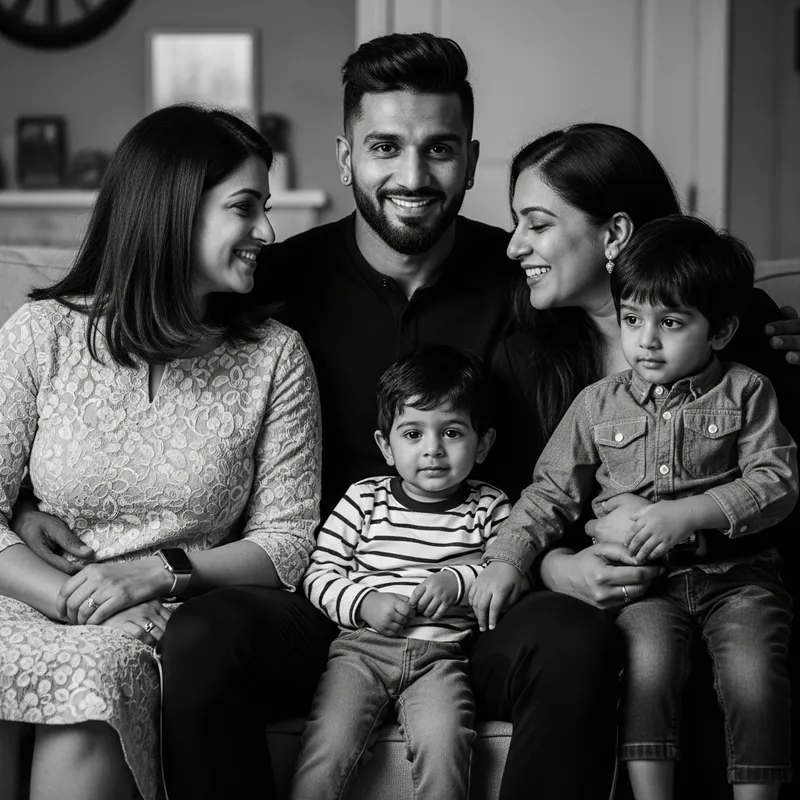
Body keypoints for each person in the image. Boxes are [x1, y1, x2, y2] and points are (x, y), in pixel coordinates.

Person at [9, 34, 800, 800]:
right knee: (204, 639)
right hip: (318, 594)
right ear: (348, 157)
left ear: (471, 160)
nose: (412, 175)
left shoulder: (527, 284)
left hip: (476, 595)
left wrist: (764, 324)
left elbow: (672, 326)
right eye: (384, 147)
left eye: (440, 149)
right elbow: (140, 367)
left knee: (576, 642)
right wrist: (27, 503)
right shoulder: (268, 281)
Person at [0, 105, 323, 800]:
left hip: (161, 616)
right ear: (174, 211)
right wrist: (73, 598)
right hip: (30, 595)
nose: (268, 232)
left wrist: (157, 573)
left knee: (90, 682)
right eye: (246, 208)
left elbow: (289, 542)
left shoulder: (274, 357)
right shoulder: (42, 334)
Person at [474, 215, 796, 800]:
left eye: (671, 323)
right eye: (632, 319)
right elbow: (548, 492)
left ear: (720, 330)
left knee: (754, 672)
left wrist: (690, 513)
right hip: (647, 590)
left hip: (740, 580)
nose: (646, 340)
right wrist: (507, 561)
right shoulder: (597, 404)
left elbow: (776, 481)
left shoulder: (749, 392)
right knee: (647, 666)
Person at [291, 345, 508, 800]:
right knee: (329, 744)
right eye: (412, 434)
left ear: (483, 444)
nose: (433, 450)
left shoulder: (490, 506)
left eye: (452, 432)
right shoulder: (364, 499)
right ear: (385, 447)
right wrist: (363, 603)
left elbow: (507, 568)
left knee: (445, 742)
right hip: (360, 652)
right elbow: (316, 573)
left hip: (443, 657)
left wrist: (457, 580)